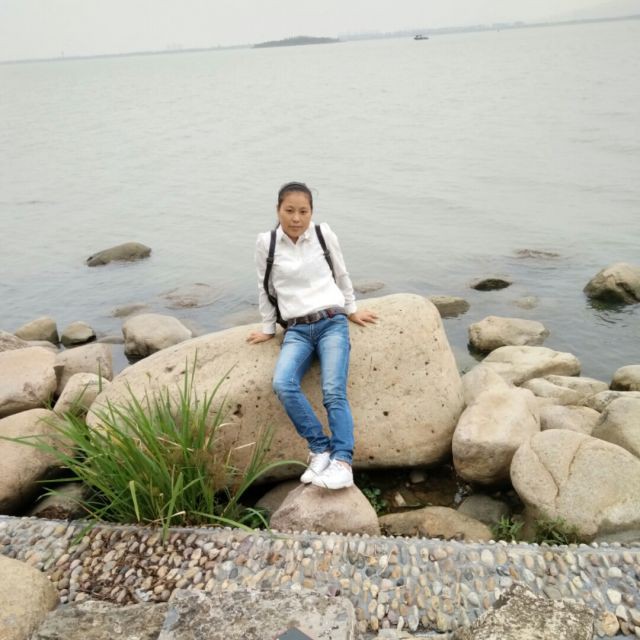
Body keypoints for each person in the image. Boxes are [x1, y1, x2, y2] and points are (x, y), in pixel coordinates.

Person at [246, 182, 377, 490]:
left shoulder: (323, 234)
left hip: (332, 322)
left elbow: (341, 274)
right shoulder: (267, 243)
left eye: (303, 211)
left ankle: (343, 462)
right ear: (278, 209)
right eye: (289, 210)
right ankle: (320, 449)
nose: (296, 218)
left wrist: (352, 309)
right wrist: (268, 328)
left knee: (333, 391)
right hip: (297, 330)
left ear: (311, 212)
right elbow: (264, 286)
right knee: (283, 383)